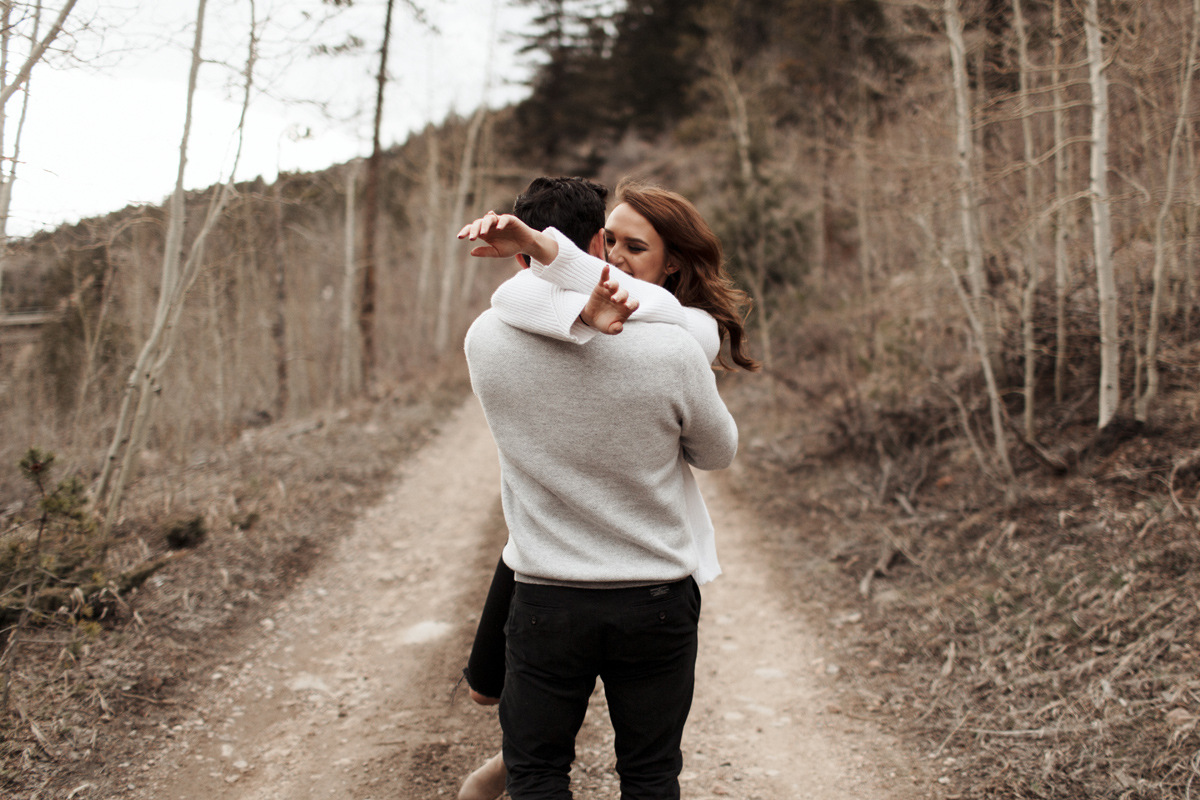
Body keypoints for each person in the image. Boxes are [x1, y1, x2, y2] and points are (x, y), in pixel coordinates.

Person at [458, 178, 758, 800]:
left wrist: (548, 265)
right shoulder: (674, 348)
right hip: (653, 594)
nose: (616, 257)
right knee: (650, 774)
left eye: (633, 245)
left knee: (538, 773)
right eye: (611, 242)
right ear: (595, 242)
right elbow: (717, 452)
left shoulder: (485, 338)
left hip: (546, 595)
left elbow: (512, 298)